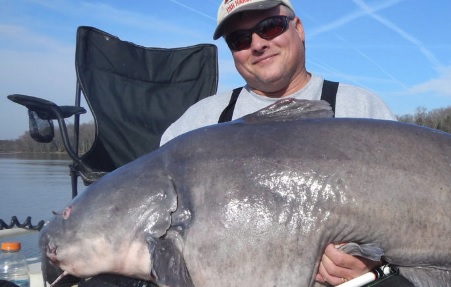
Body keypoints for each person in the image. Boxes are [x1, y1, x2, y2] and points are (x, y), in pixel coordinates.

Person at [160, 1, 412, 286]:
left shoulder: (362, 109)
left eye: (270, 27)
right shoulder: (194, 125)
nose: (257, 44)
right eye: (239, 39)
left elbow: (416, 220)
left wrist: (379, 267)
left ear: (299, 28)